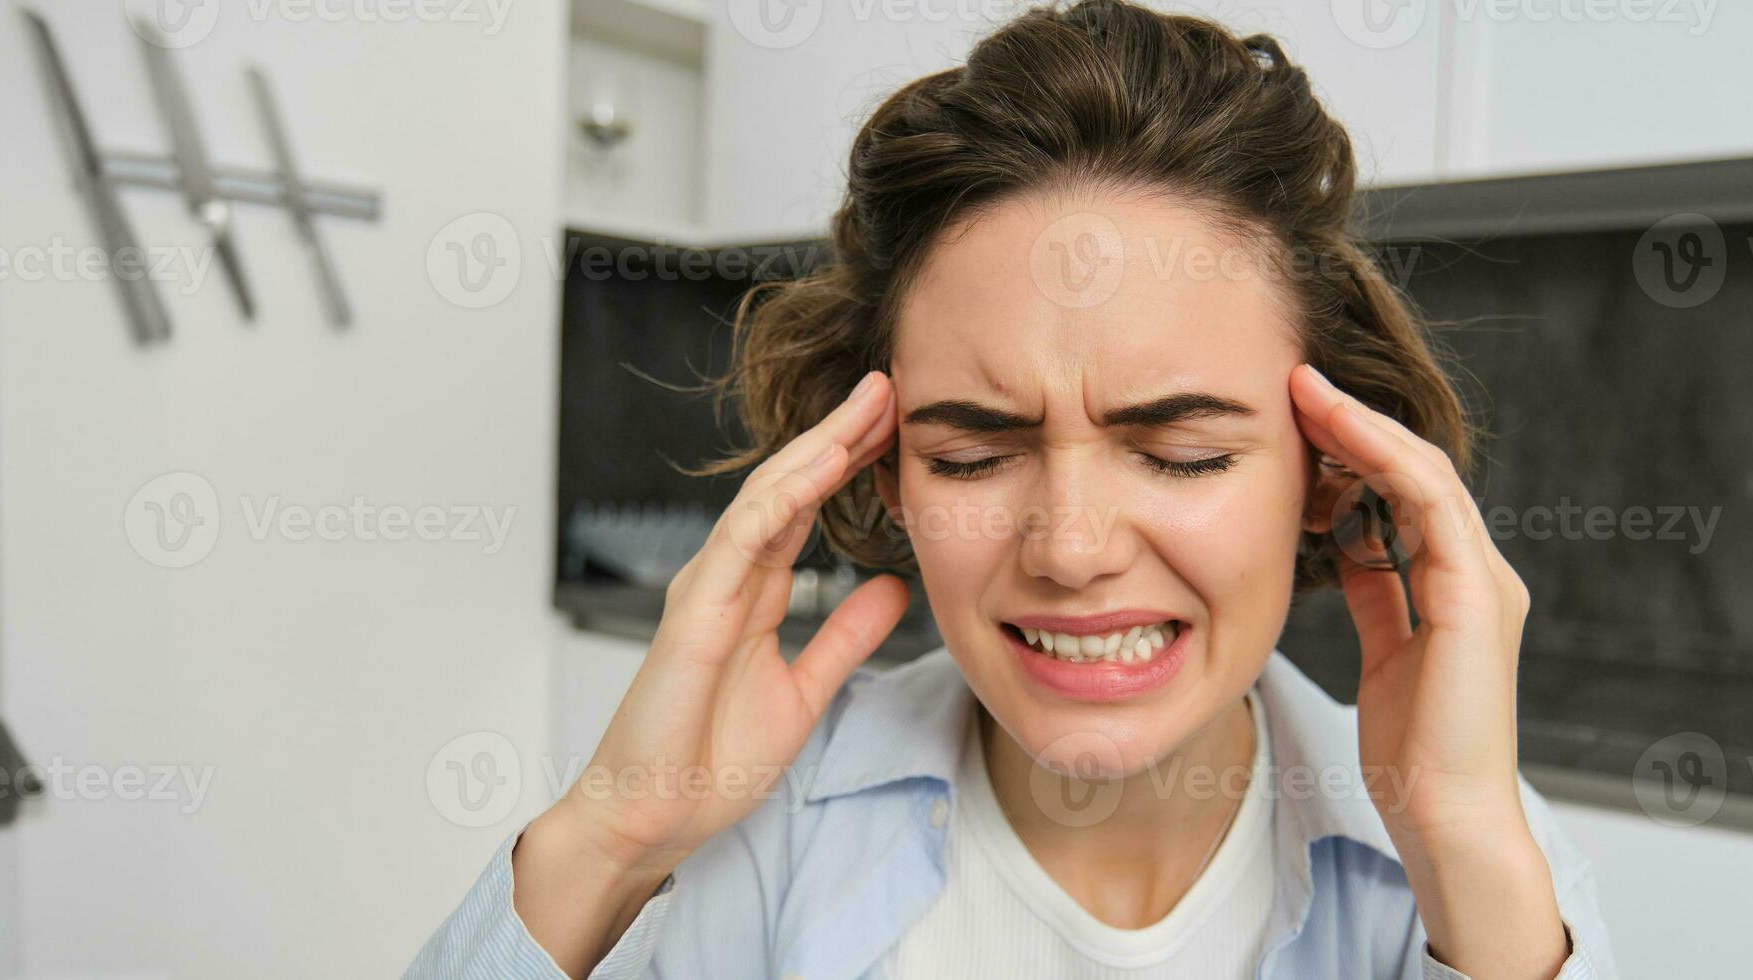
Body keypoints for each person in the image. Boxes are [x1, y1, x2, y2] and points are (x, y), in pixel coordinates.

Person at [409, 2, 1613, 977]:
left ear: (1329, 472)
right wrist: (611, 833)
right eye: (972, 454)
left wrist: (1468, 867)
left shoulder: (1472, 856)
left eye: (1183, 451)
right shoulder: (762, 833)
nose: (1072, 547)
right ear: (882, 470)